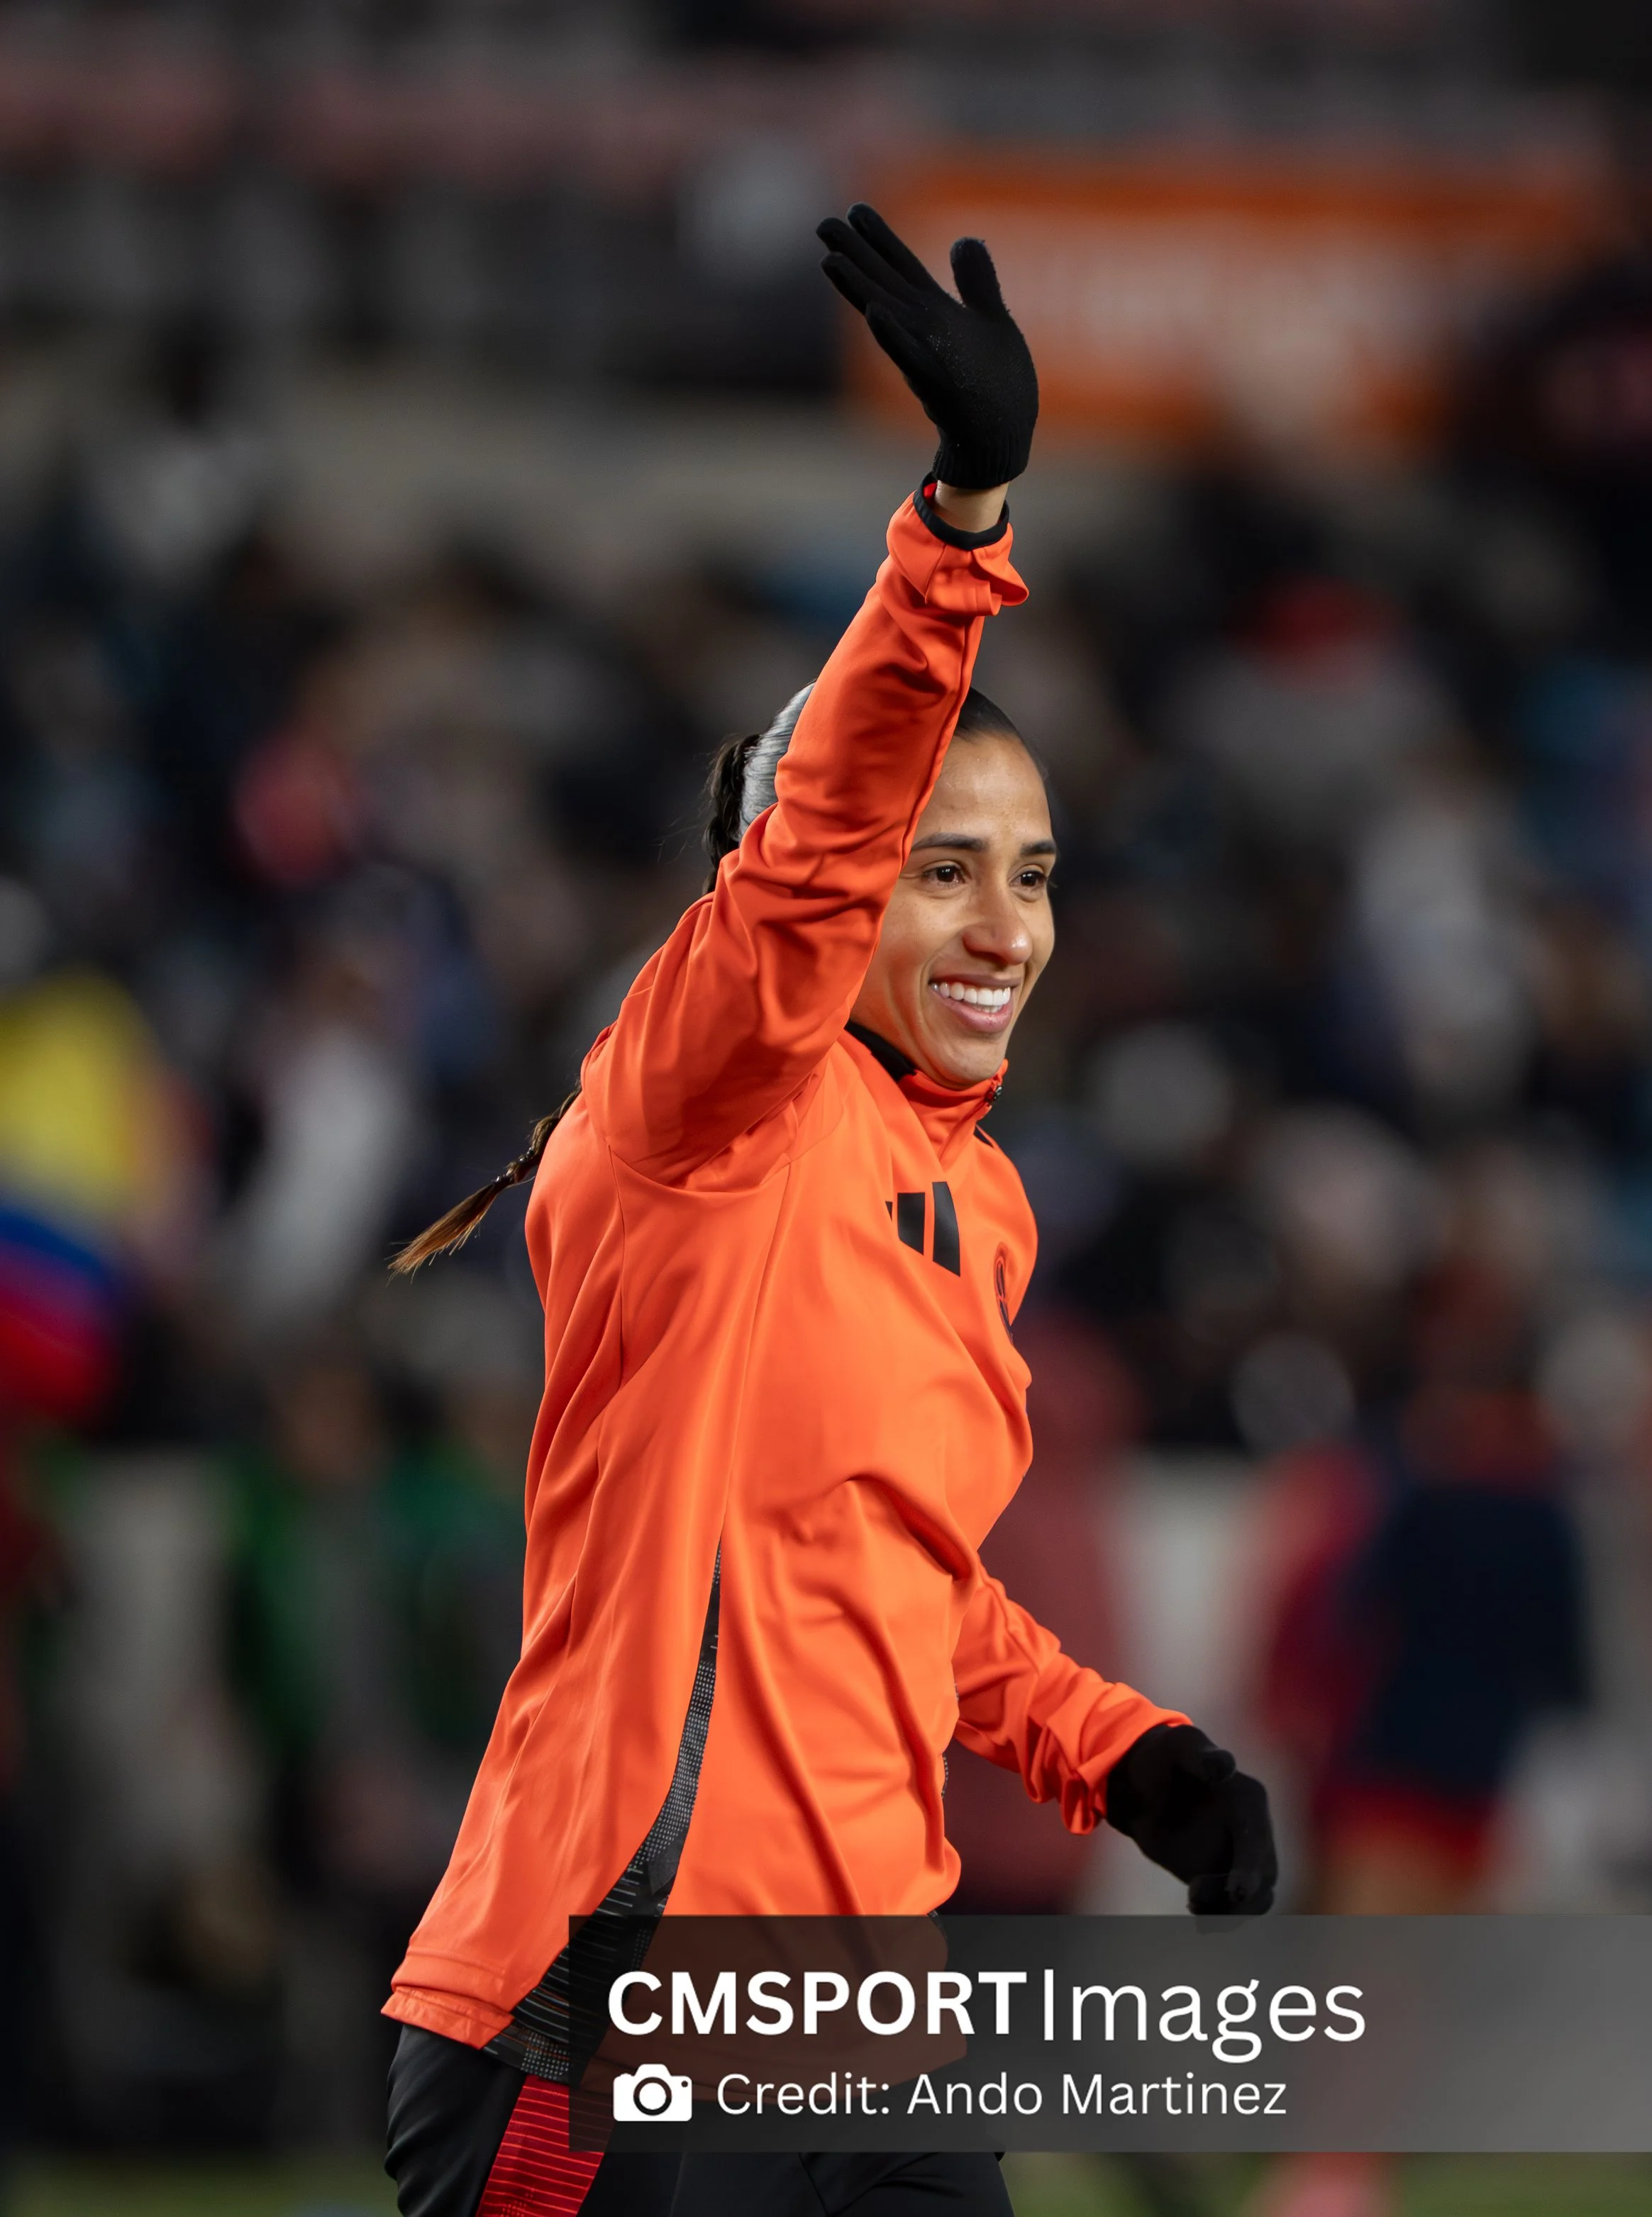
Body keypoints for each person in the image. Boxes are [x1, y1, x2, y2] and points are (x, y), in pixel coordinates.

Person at [380, 205, 1277, 2217]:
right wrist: (957, 527)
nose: (1003, 926)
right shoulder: (700, 1104)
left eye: (1031, 872)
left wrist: (1114, 1747)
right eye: (938, 866)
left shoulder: (978, 1200)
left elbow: (887, 1570)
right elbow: (801, 883)